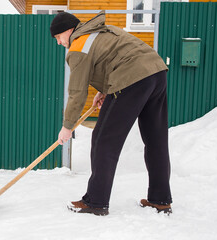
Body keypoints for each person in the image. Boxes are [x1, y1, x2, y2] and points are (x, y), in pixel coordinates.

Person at [50, 11, 172, 216]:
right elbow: (118, 57)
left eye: (58, 38)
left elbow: (77, 93)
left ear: (69, 31)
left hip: (131, 78)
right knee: (155, 140)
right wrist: (104, 90)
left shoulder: (78, 47)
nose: (59, 43)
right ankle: (160, 200)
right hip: (156, 72)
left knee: (103, 139)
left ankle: (96, 202)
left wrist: (67, 126)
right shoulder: (102, 30)